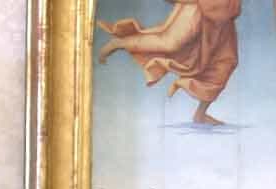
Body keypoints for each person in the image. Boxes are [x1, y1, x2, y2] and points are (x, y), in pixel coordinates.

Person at [98, 0, 241, 126]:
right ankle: (121, 43)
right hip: (197, 5)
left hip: (224, 10)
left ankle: (200, 114)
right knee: (170, 43)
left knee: (225, 61)